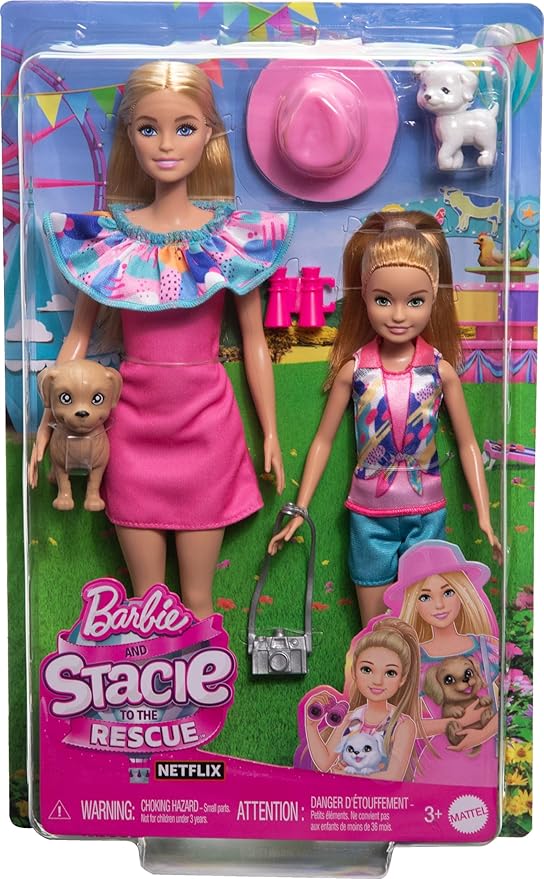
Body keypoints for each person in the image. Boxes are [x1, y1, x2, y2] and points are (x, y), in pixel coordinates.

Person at [29, 61, 295, 619]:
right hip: (132, 426)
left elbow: (254, 342)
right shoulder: (109, 242)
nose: (167, 145)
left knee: (197, 598)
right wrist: (50, 421)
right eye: (148, 128)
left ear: (209, 134)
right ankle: (150, 678)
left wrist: (270, 431)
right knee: (145, 600)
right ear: (129, 134)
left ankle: (205, 678)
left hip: (206, 425)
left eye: (185, 128)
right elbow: (78, 339)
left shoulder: (230, 240)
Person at [269, 211, 501, 626]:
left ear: (434, 297)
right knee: (374, 629)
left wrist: (484, 516)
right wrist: (300, 507)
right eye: (383, 300)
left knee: (425, 627)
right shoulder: (356, 369)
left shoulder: (438, 370)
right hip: (369, 515)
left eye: (415, 301)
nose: (398, 315)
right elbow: (322, 441)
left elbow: (468, 443)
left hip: (427, 512)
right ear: (364, 296)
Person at [385, 540, 499, 787]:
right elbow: (403, 725)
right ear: (413, 603)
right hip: (439, 763)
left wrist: (483, 733)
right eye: (425, 596)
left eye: (448, 592)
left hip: (489, 762)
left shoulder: (487, 648)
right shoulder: (413, 659)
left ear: (463, 592)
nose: (439, 605)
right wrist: (455, 723)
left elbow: (511, 705)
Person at [303, 618, 425, 781]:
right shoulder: (350, 719)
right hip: (344, 794)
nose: (377, 681)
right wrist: (311, 727)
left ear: (402, 679)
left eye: (390, 673)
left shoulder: (402, 725)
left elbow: (394, 776)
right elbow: (324, 764)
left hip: (379, 796)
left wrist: (349, 774)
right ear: (354, 672)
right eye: (367, 670)